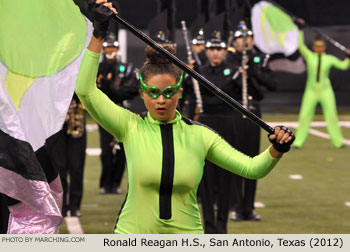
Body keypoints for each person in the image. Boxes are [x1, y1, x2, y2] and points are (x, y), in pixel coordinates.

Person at [75, 0, 294, 234]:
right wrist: (98, 33)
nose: (161, 100)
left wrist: (276, 149)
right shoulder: (129, 126)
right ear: (142, 93)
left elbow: (251, 169)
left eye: (169, 93)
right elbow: (86, 91)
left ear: (180, 92)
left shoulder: (200, 135)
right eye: (153, 93)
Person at [227, 26, 277, 222]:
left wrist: (253, 72)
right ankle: (237, 206)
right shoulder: (229, 60)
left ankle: (249, 207)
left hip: (254, 112)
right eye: (240, 38)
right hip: (234, 111)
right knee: (235, 159)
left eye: (248, 37)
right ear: (235, 41)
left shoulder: (260, 59)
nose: (244, 41)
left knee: (253, 159)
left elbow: (271, 85)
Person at [293, 19, 350, 148]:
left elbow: (344, 66)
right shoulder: (310, 56)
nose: (319, 49)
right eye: (317, 46)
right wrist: (300, 30)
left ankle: (338, 142)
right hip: (311, 90)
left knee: (332, 116)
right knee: (304, 116)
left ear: (324, 47)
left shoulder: (329, 59)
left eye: (321, 46)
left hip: (325, 90)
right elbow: (301, 46)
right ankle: (298, 142)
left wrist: (348, 57)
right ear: (314, 47)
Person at [97, 33, 139, 194]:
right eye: (107, 47)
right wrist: (114, 91)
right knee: (106, 151)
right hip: (104, 113)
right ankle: (105, 183)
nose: (110, 50)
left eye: (113, 47)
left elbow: (132, 89)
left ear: (118, 48)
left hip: (122, 113)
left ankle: (115, 183)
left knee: (122, 151)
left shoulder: (127, 68)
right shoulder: (97, 68)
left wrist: (112, 89)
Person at [47, 94, 87, 217]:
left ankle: (75, 206)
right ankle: (61, 206)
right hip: (57, 125)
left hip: (76, 120)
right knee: (59, 169)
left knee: (76, 169)